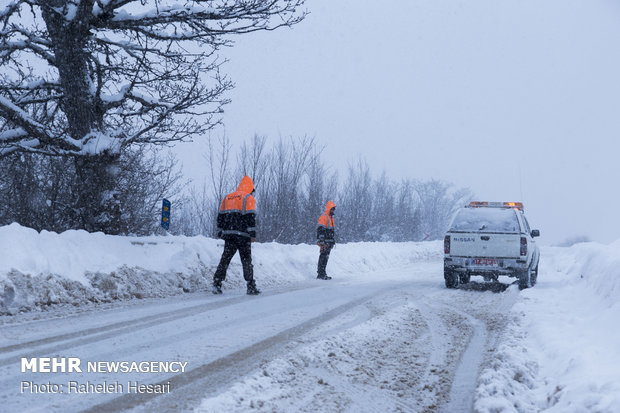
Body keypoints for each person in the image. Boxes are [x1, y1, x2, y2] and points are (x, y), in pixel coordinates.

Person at [212, 175, 261, 295]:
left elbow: (220, 216)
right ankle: (250, 286)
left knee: (225, 259)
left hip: (229, 235)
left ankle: (217, 283)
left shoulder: (228, 197)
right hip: (243, 235)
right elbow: (250, 217)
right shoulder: (248, 198)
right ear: (251, 189)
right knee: (246, 260)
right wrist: (252, 233)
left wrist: (220, 231)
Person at [316, 200, 336, 280]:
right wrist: (321, 241)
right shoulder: (323, 217)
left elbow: (331, 231)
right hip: (324, 242)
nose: (333, 211)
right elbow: (320, 229)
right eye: (332, 209)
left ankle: (323, 273)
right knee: (323, 257)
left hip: (329, 242)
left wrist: (332, 241)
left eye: (334, 209)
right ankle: (320, 274)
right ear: (329, 209)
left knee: (325, 258)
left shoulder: (331, 219)